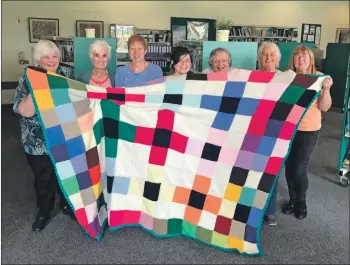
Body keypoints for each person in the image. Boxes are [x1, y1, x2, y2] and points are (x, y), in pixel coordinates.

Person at [13, 40, 76, 232]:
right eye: (46, 57)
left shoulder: (67, 74)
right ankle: (44, 210)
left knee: (66, 174)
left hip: (64, 136)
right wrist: (37, 84)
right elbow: (23, 110)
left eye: (54, 56)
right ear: (38, 60)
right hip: (37, 141)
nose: (51, 60)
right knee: (43, 178)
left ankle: (67, 205)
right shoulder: (27, 78)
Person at [282, 45, 333, 219]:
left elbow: (325, 107)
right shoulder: (288, 77)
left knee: (298, 168)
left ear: (311, 59)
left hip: (308, 130)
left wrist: (325, 89)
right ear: (293, 61)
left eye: (304, 56)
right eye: (297, 56)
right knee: (288, 167)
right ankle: (292, 200)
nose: (301, 59)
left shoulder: (319, 79)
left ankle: (302, 202)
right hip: (287, 130)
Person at [257, 42, 282, 226]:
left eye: (272, 55)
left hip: (278, 131)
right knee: (253, 171)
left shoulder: (288, 78)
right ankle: (254, 211)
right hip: (255, 130)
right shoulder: (253, 77)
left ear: (278, 58)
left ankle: (270, 211)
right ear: (259, 59)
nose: (268, 58)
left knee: (272, 171)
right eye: (264, 55)